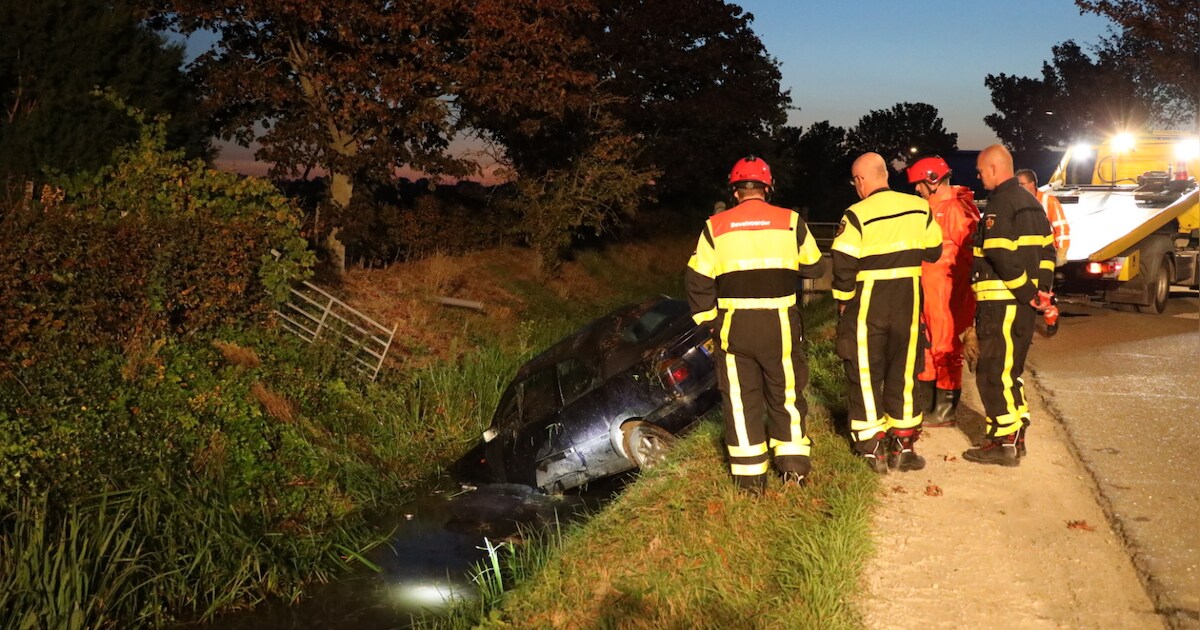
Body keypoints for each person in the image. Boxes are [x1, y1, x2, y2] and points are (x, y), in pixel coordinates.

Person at [685, 156, 827, 494]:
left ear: (734, 191)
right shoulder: (791, 222)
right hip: (780, 322)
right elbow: (816, 268)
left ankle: (750, 480)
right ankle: (793, 469)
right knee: (786, 394)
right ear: (767, 187)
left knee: (740, 398)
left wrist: (710, 322)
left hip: (734, 325)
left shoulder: (714, 227)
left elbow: (696, 280)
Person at [831, 153, 943, 474]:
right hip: (907, 305)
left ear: (862, 180)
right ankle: (904, 447)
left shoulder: (855, 215)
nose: (855, 187)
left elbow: (842, 265)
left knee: (865, 374)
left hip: (868, 306)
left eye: (855, 181)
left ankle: (872, 450)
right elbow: (934, 251)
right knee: (904, 374)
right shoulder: (919, 208)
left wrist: (842, 302)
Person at [964, 146, 1055, 466]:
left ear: (993, 168)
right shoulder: (1033, 203)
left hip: (1001, 302)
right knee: (1011, 371)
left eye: (980, 170)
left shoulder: (1001, 204)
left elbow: (1000, 253)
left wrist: (1026, 292)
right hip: (1022, 307)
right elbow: (1048, 251)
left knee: (992, 372)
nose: (977, 175)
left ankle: (1002, 442)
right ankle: (1017, 435)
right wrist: (1041, 292)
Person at [905, 156, 980, 427]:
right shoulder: (928, 208)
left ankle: (946, 411)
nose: (916, 190)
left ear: (932, 181)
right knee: (926, 347)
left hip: (948, 294)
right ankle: (927, 404)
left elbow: (972, 256)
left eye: (919, 184)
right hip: (926, 291)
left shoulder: (957, 211)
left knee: (946, 349)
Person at [1016, 168, 1070, 265]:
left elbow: (1062, 228)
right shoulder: (1015, 203)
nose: (1018, 187)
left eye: (1022, 184)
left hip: (1044, 256)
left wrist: (1061, 253)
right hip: (1022, 256)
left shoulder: (1048, 201)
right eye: (1017, 185)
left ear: (1032, 184)